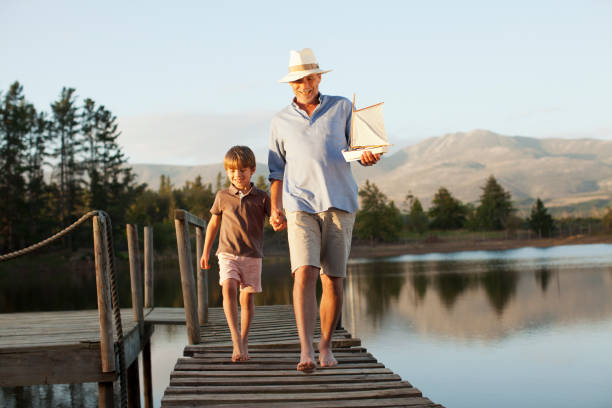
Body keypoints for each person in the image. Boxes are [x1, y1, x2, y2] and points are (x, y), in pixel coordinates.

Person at [268, 48, 380, 371]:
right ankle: (305, 350)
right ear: (291, 84)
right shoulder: (279, 122)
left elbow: (361, 148)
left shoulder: (342, 107)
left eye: (310, 78)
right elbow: (276, 171)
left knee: (333, 279)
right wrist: (276, 207)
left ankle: (326, 345)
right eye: (298, 80)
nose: (305, 84)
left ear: (320, 77)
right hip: (299, 205)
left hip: (339, 204)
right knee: (304, 272)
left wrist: (370, 156)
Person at [200, 145, 271, 362]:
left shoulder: (262, 197)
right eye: (232, 171)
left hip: (252, 254)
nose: (237, 175)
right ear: (227, 172)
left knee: (247, 299)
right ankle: (235, 340)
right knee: (228, 286)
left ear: (252, 170)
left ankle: (244, 339)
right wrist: (205, 251)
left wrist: (282, 220)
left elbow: (276, 218)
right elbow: (213, 225)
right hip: (227, 253)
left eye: (242, 171)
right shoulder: (222, 196)